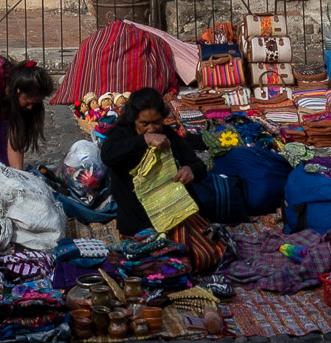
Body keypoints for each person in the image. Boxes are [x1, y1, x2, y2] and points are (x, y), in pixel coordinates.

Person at [100, 88, 237, 236]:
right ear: (133, 120)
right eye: (144, 124)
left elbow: (198, 165)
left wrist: (190, 170)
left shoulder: (168, 134)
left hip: (172, 212)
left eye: (156, 123)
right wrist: (144, 140)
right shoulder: (122, 135)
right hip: (137, 218)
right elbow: (107, 155)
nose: (151, 128)